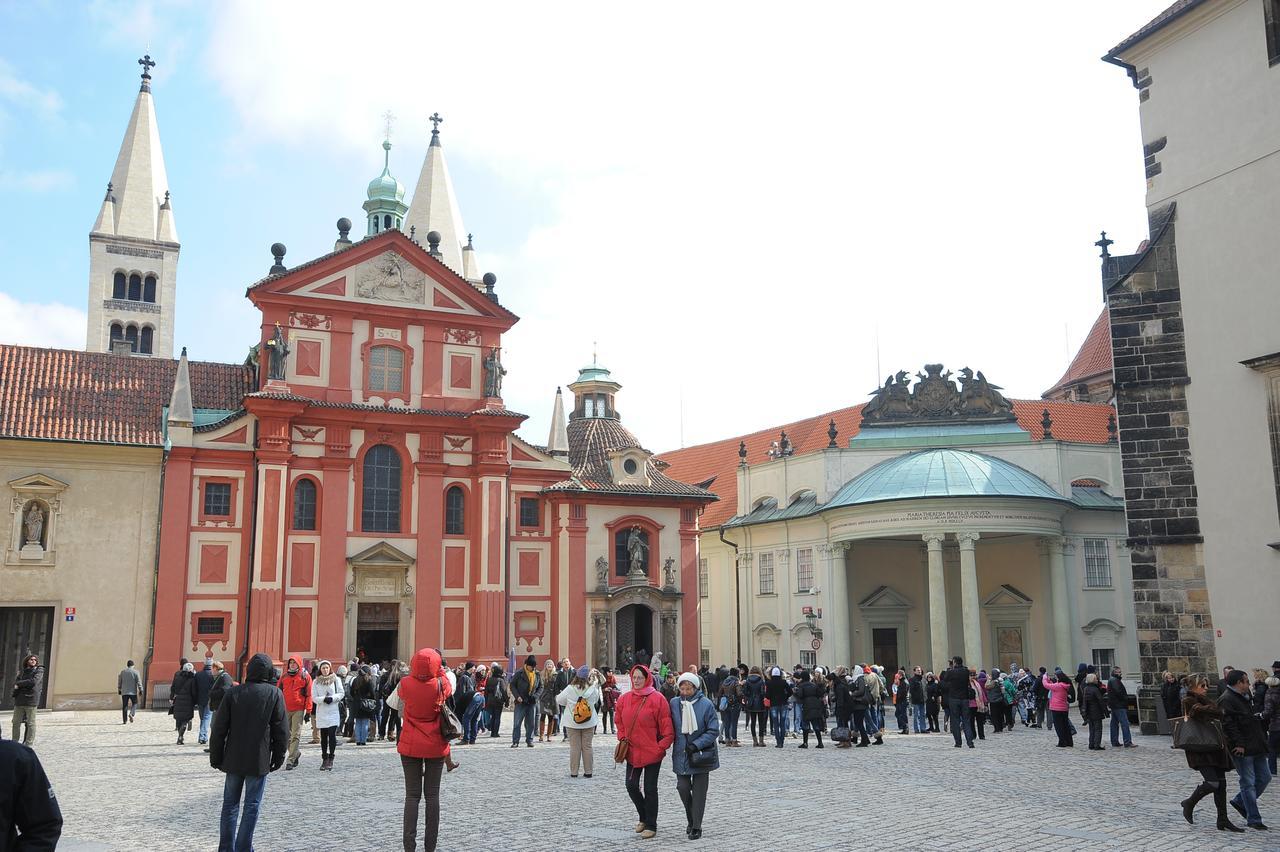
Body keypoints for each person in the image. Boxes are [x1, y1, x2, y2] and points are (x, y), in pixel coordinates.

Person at [209, 652, 288, 852]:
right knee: (251, 806)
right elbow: (281, 731)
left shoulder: (234, 693)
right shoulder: (274, 694)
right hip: (258, 759)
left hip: (233, 757)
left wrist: (216, 756)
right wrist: (278, 758)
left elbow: (219, 729)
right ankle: (244, 848)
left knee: (229, 805)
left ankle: (226, 848)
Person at [394, 648, 453, 852]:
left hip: (410, 745)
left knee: (412, 796)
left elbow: (402, 696)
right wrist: (440, 671)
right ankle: (430, 847)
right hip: (435, 746)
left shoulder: (405, 683)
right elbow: (448, 687)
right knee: (432, 797)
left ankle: (409, 847)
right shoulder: (440, 683)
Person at [1178, 673, 1243, 832]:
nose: (1206, 689)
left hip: (1214, 748)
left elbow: (1215, 712)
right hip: (1199, 749)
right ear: (1193, 686)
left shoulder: (1207, 701)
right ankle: (1189, 802)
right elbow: (1201, 712)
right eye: (1202, 686)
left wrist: (1217, 709)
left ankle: (1223, 819)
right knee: (1212, 783)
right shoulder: (1188, 700)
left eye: (1207, 685)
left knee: (1221, 785)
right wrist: (1218, 710)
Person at [616, 665, 674, 840]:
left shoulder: (658, 699)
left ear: (647, 678)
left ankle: (651, 824)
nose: (636, 681)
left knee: (650, 788)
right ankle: (643, 816)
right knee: (631, 785)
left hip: (652, 751)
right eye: (634, 677)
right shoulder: (625, 698)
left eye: (640, 677)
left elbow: (667, 727)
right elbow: (618, 720)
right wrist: (622, 737)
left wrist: (660, 746)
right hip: (632, 751)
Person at [1219, 668, 1271, 830]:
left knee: (1265, 777)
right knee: (1248, 782)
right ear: (1238, 683)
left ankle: (1240, 801)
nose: (1249, 684)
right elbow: (1229, 725)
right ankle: (1253, 818)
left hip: (1256, 744)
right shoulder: (1226, 699)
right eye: (1246, 681)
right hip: (1242, 748)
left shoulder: (1244, 696)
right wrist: (1239, 744)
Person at [670, 672, 719, 841]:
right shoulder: (675, 703)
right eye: (682, 688)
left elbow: (713, 730)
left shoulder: (706, 704)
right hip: (681, 753)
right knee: (682, 788)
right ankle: (691, 818)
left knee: (699, 792)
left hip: (701, 754)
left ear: (695, 687)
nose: (685, 692)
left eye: (688, 688)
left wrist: (696, 744)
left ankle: (696, 826)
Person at [557, 665, 601, 778]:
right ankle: (588, 772)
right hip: (589, 721)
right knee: (587, 746)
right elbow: (596, 700)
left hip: (572, 722)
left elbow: (560, 700)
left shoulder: (570, 688)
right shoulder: (592, 689)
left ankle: (574, 772)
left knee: (575, 747)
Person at [278, 655, 312, 769]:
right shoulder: (284, 677)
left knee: (295, 735)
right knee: (285, 735)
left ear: (299, 664)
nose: (292, 664)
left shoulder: (305, 676)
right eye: (290, 662)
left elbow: (309, 694)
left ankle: (290, 760)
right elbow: (278, 692)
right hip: (285, 708)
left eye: (294, 662)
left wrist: (308, 710)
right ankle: (296, 753)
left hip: (298, 709)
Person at [310, 660, 343, 771]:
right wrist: (323, 699)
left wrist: (332, 698)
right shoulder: (316, 682)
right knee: (324, 736)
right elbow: (313, 697)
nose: (325, 670)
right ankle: (324, 758)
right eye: (323, 668)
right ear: (320, 669)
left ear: (330, 669)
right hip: (322, 711)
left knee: (332, 734)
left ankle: (331, 757)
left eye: (327, 668)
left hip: (333, 711)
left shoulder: (336, 680)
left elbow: (341, 693)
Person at [11, 654, 43, 747]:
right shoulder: (21, 672)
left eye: (35, 660)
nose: (33, 661)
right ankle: (14, 743)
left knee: (31, 723)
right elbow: (15, 684)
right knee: (15, 722)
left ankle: (29, 744)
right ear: (26, 661)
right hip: (19, 700)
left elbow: (33, 682)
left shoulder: (39, 670)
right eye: (31, 659)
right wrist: (20, 685)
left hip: (31, 700)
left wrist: (20, 684)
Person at [940, 657, 973, 748]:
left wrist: (951, 668)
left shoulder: (951, 672)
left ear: (954, 663)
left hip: (954, 698)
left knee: (955, 721)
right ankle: (970, 742)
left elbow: (944, 680)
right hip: (965, 698)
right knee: (966, 721)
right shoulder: (966, 671)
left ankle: (958, 742)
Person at [510, 655, 541, 748]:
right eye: (531, 667)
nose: (533, 669)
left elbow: (541, 687)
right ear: (527, 665)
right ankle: (515, 741)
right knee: (517, 723)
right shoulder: (519, 673)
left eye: (534, 667)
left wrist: (535, 696)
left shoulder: (537, 674)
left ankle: (529, 740)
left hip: (532, 702)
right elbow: (512, 685)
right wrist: (517, 696)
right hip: (521, 702)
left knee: (531, 723)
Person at [794, 669, 826, 749]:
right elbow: (819, 693)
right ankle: (820, 742)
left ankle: (805, 743)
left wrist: (795, 692)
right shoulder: (813, 685)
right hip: (815, 704)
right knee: (815, 724)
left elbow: (800, 695)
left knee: (805, 725)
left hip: (806, 705)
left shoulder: (801, 685)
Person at [348, 665, 378, 745]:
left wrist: (356, 698)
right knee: (365, 722)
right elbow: (372, 693)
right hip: (366, 704)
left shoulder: (355, 680)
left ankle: (358, 740)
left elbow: (351, 692)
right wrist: (372, 700)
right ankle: (363, 740)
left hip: (357, 703)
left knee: (358, 722)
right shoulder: (368, 680)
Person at [170, 661, 198, 745]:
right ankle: (181, 735)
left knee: (179, 718)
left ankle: (180, 736)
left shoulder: (178, 677)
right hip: (188, 700)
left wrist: (171, 698)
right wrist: (195, 701)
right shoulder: (192, 679)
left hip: (178, 699)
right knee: (185, 719)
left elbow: (173, 688)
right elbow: (194, 692)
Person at [1044, 669, 1074, 748]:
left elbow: (1046, 685)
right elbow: (1052, 684)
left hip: (1056, 708)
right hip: (1064, 708)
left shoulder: (1058, 686)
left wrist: (1044, 677)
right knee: (1065, 725)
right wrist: (1048, 679)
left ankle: (1062, 742)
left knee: (1059, 726)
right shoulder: (1064, 684)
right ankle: (1069, 741)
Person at [1107, 665, 1135, 748]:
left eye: (1120, 672)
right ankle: (1127, 741)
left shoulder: (1113, 680)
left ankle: (1114, 741)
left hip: (1115, 705)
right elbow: (1119, 692)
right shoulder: (1115, 680)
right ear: (1114, 673)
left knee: (1114, 724)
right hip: (1119, 705)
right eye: (1118, 672)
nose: (1120, 673)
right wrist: (1125, 699)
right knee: (1124, 724)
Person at [741, 666, 767, 747]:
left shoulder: (748, 680)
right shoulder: (761, 680)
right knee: (761, 722)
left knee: (753, 722)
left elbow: (745, 692)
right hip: (760, 702)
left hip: (751, 702)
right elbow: (763, 692)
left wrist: (749, 697)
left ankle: (754, 741)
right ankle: (761, 741)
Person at [1082, 672, 1108, 750]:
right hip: (1096, 711)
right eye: (1096, 678)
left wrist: (1085, 712)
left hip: (1089, 711)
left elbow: (1084, 702)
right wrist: (1106, 712)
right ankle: (1097, 745)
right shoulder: (1095, 689)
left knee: (1092, 729)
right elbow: (1101, 701)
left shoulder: (1086, 689)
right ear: (1093, 680)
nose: (1097, 680)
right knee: (1098, 729)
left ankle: (1091, 744)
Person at [717, 667, 741, 747]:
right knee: (734, 723)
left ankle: (727, 740)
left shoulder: (725, 681)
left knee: (727, 723)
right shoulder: (736, 681)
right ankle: (734, 740)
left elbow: (719, 693)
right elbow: (739, 693)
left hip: (726, 704)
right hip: (734, 704)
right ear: (737, 674)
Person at [195, 659, 216, 746]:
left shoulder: (198, 674)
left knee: (203, 718)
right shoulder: (213, 675)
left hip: (200, 699)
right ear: (212, 665)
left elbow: (195, 688)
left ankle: (203, 736)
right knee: (206, 718)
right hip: (209, 699)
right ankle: (202, 737)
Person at [1262, 674, 1280, 776]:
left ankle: (1272, 770)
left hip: (1276, 724)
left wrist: (1261, 715)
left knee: (1272, 748)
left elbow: (1268, 711)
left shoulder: (1270, 693)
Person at [536, 659, 557, 742]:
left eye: (550, 664)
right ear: (545, 666)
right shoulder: (541, 674)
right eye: (548, 664)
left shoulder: (556, 675)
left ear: (553, 666)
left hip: (552, 698)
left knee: (551, 717)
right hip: (543, 698)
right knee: (543, 716)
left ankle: (549, 735)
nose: (549, 666)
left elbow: (557, 686)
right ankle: (541, 735)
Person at [484, 663, 508, 738]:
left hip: (490, 700)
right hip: (498, 700)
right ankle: (495, 733)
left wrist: (486, 700)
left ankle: (492, 732)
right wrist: (506, 701)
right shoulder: (501, 680)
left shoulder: (489, 679)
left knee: (493, 716)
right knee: (497, 717)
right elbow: (504, 691)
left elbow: (486, 691)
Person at [118, 659, 142, 725]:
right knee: (135, 703)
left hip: (124, 692)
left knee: (125, 706)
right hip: (133, 692)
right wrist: (141, 690)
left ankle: (124, 720)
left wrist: (119, 689)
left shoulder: (122, 672)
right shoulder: (136, 672)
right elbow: (139, 682)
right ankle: (131, 713)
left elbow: (120, 681)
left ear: (127, 665)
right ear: (133, 665)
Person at [602, 669, 620, 735]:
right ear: (606, 672)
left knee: (612, 715)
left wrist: (612, 689)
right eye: (609, 671)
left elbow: (616, 688)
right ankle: (605, 729)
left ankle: (612, 729)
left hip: (611, 699)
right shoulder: (603, 679)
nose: (611, 673)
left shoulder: (613, 679)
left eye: (611, 671)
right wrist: (605, 689)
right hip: (604, 699)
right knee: (604, 715)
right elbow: (599, 689)